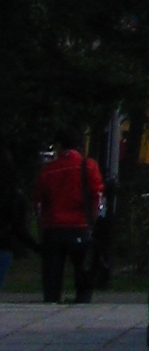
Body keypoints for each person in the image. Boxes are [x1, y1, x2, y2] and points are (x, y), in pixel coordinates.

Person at [34, 129, 104, 306]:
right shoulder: (88, 166)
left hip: (53, 229)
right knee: (83, 274)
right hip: (79, 227)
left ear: (58, 146)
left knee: (52, 276)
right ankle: (82, 302)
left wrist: (42, 231)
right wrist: (93, 222)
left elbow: (38, 203)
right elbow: (97, 195)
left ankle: (51, 301)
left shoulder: (48, 171)